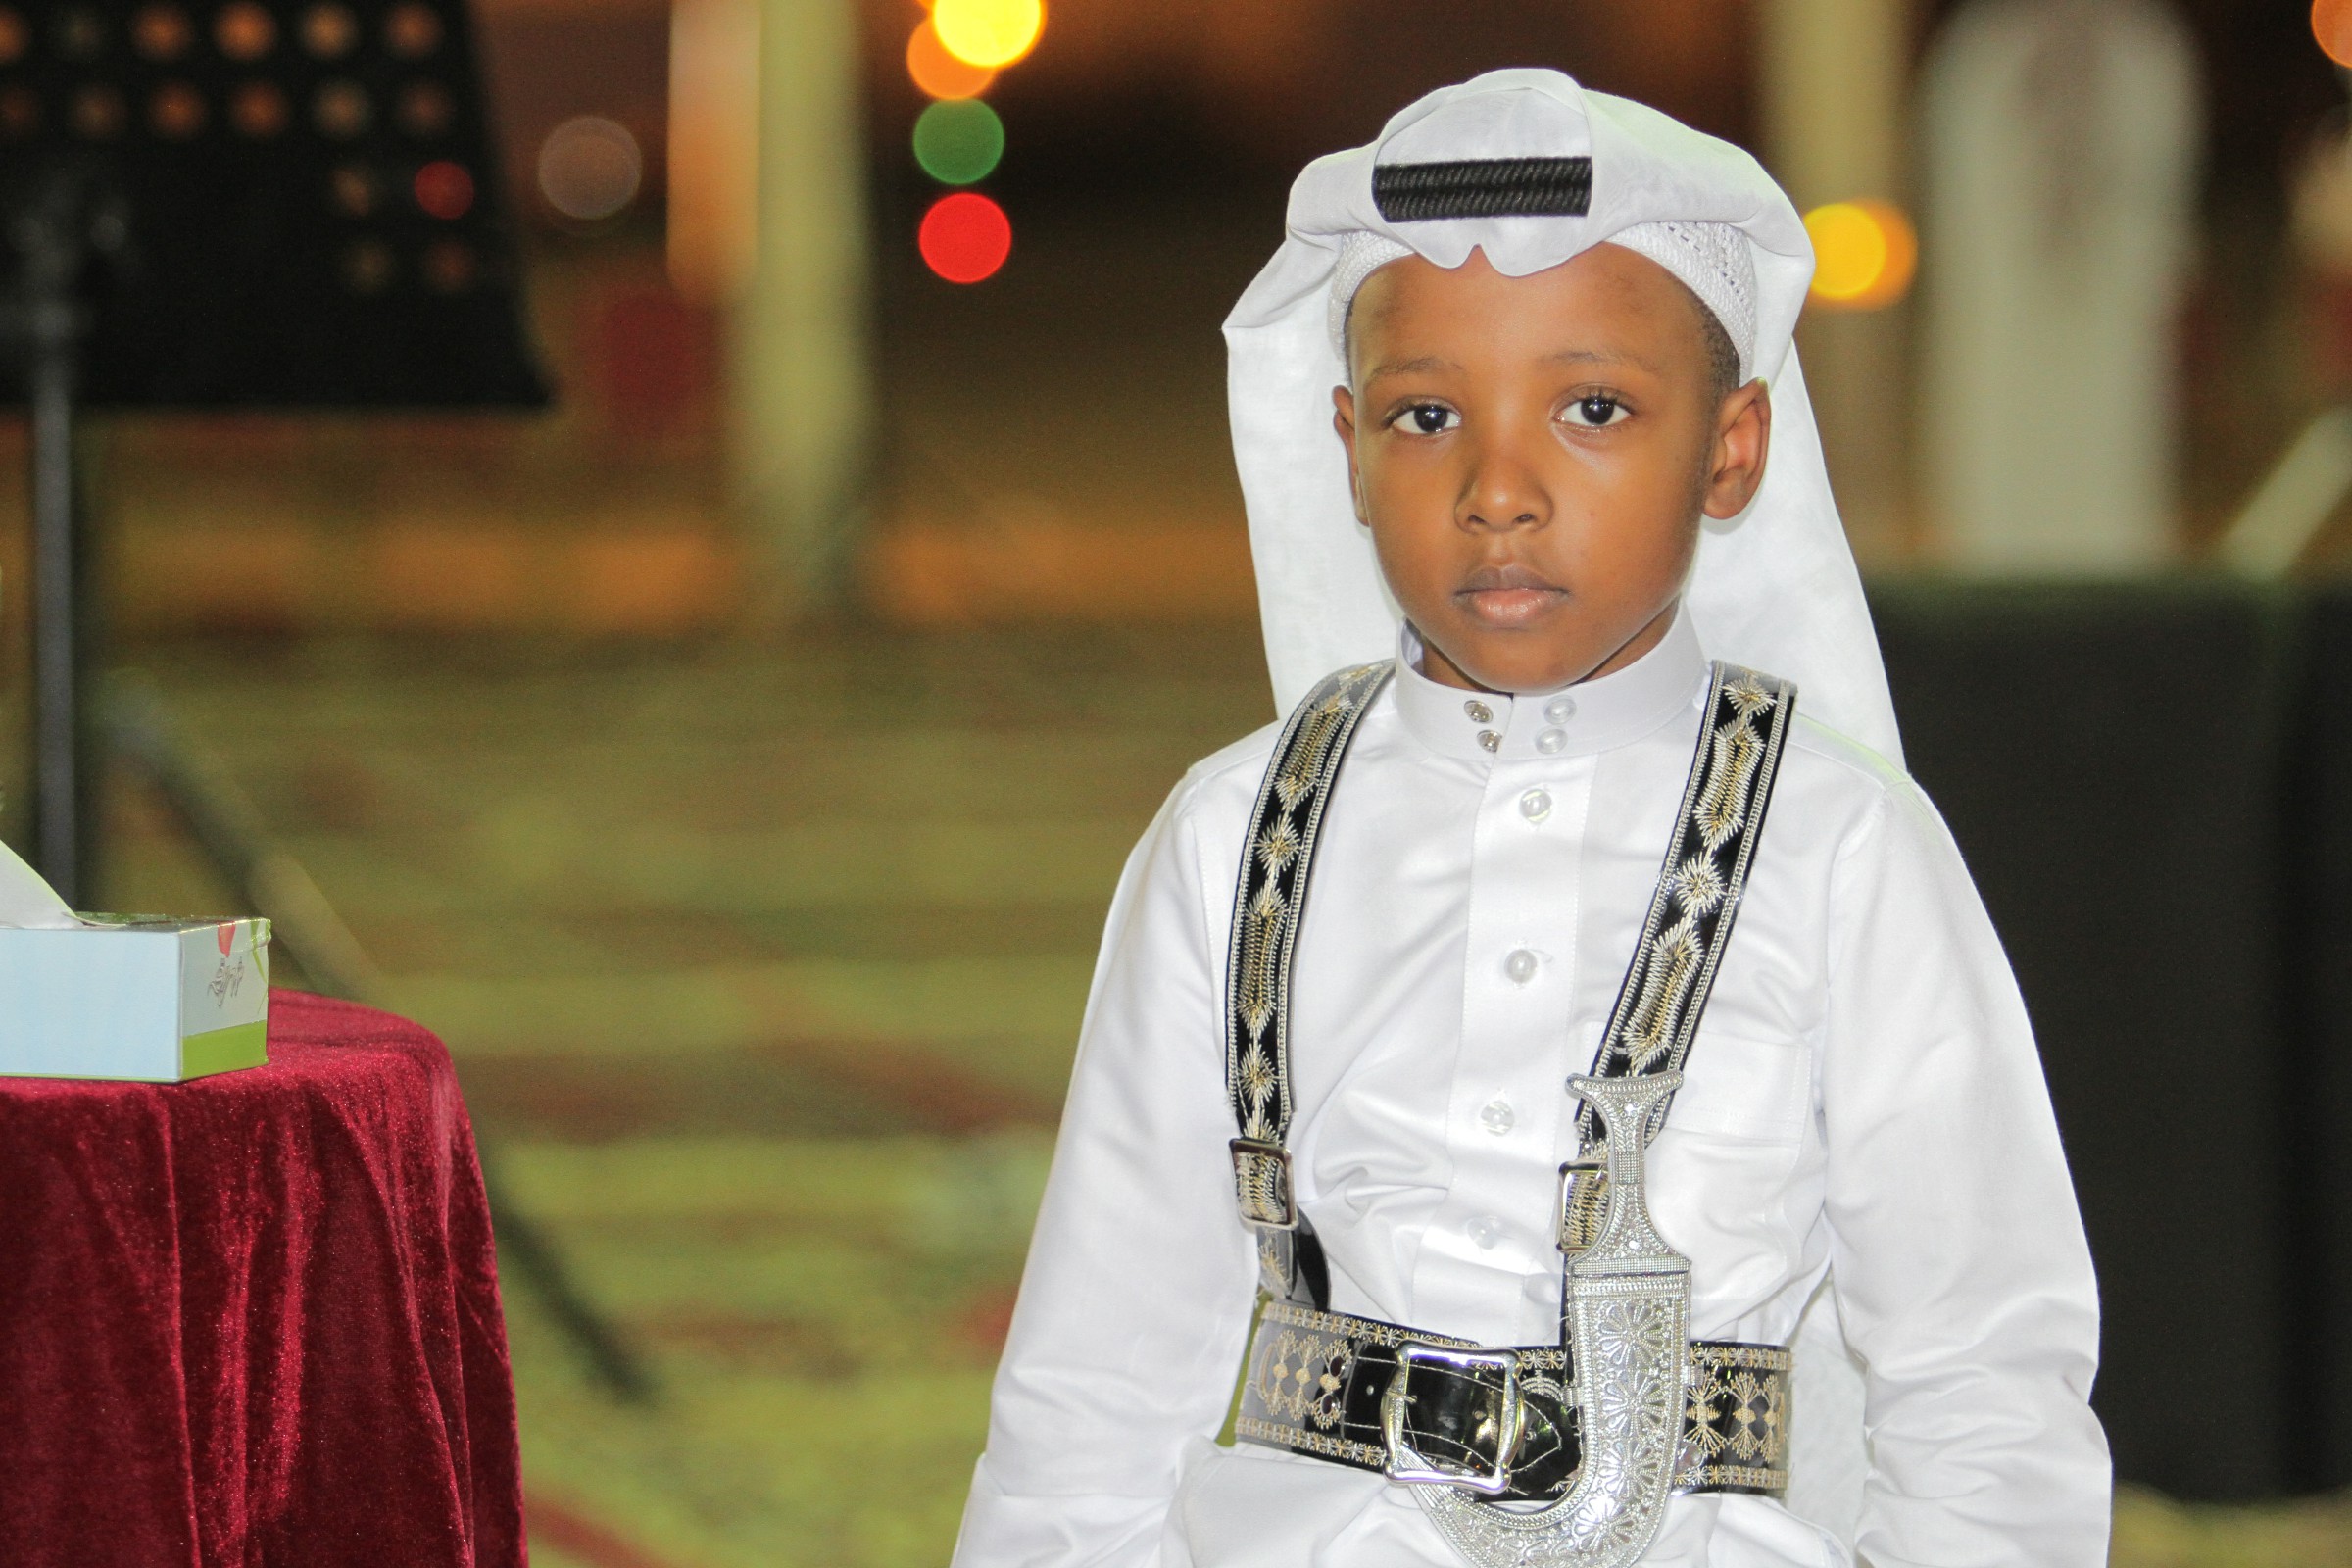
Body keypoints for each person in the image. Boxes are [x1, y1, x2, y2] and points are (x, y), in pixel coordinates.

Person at [951, 70, 2109, 1568]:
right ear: (1347, 447)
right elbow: (1096, 1387)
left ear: (1732, 447)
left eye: (1592, 409)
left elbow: (1984, 1385)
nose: (1500, 489)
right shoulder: (1232, 842)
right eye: (1427, 415)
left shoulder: (1841, 849)